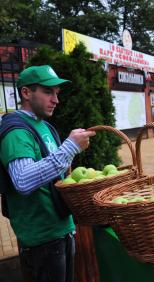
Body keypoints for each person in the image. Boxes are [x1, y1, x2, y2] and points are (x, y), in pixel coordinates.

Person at [0, 65, 96, 282]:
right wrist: (70, 147)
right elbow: (23, 180)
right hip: (41, 240)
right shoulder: (16, 131)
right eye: (47, 92)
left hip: (62, 229)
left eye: (57, 93)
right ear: (26, 93)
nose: (56, 100)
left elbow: (56, 174)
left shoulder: (46, 127)